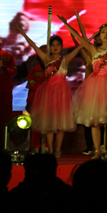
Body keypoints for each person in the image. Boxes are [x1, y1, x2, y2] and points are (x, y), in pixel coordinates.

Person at [56, 15, 107, 159]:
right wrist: (66, 24)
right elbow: (79, 37)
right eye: (103, 32)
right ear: (99, 35)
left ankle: (106, 148)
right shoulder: (93, 50)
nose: (105, 34)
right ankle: (97, 150)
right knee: (95, 122)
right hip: (94, 87)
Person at [15, 29, 83, 157]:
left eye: (58, 45)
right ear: (50, 48)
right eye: (53, 45)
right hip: (48, 93)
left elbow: (80, 47)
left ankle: (58, 150)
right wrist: (23, 34)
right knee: (49, 123)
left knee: (61, 123)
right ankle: (51, 150)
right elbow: (34, 46)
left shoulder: (65, 59)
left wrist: (89, 38)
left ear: (62, 47)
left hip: (62, 93)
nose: (55, 47)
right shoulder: (46, 59)